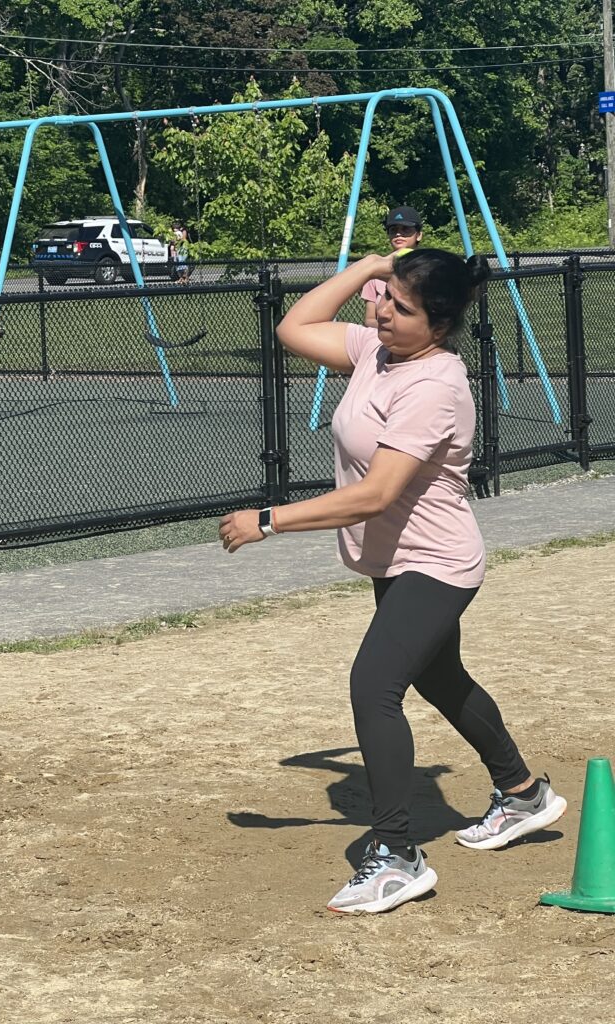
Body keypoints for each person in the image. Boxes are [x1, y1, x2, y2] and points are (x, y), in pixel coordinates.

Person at [218, 248, 567, 915]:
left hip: (436, 563)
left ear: (438, 324)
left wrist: (268, 520)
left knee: (374, 684)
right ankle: (522, 793)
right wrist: (368, 267)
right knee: (439, 679)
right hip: (395, 560)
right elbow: (294, 326)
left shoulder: (433, 385)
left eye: (400, 307)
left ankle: (396, 855)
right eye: (383, 297)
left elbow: (376, 494)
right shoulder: (379, 350)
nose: (380, 311)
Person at [362, 206, 423, 328]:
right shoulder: (375, 271)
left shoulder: (429, 268)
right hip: (384, 341)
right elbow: (369, 320)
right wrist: (392, 327)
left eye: (406, 229)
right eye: (393, 229)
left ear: (419, 235)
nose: (398, 233)